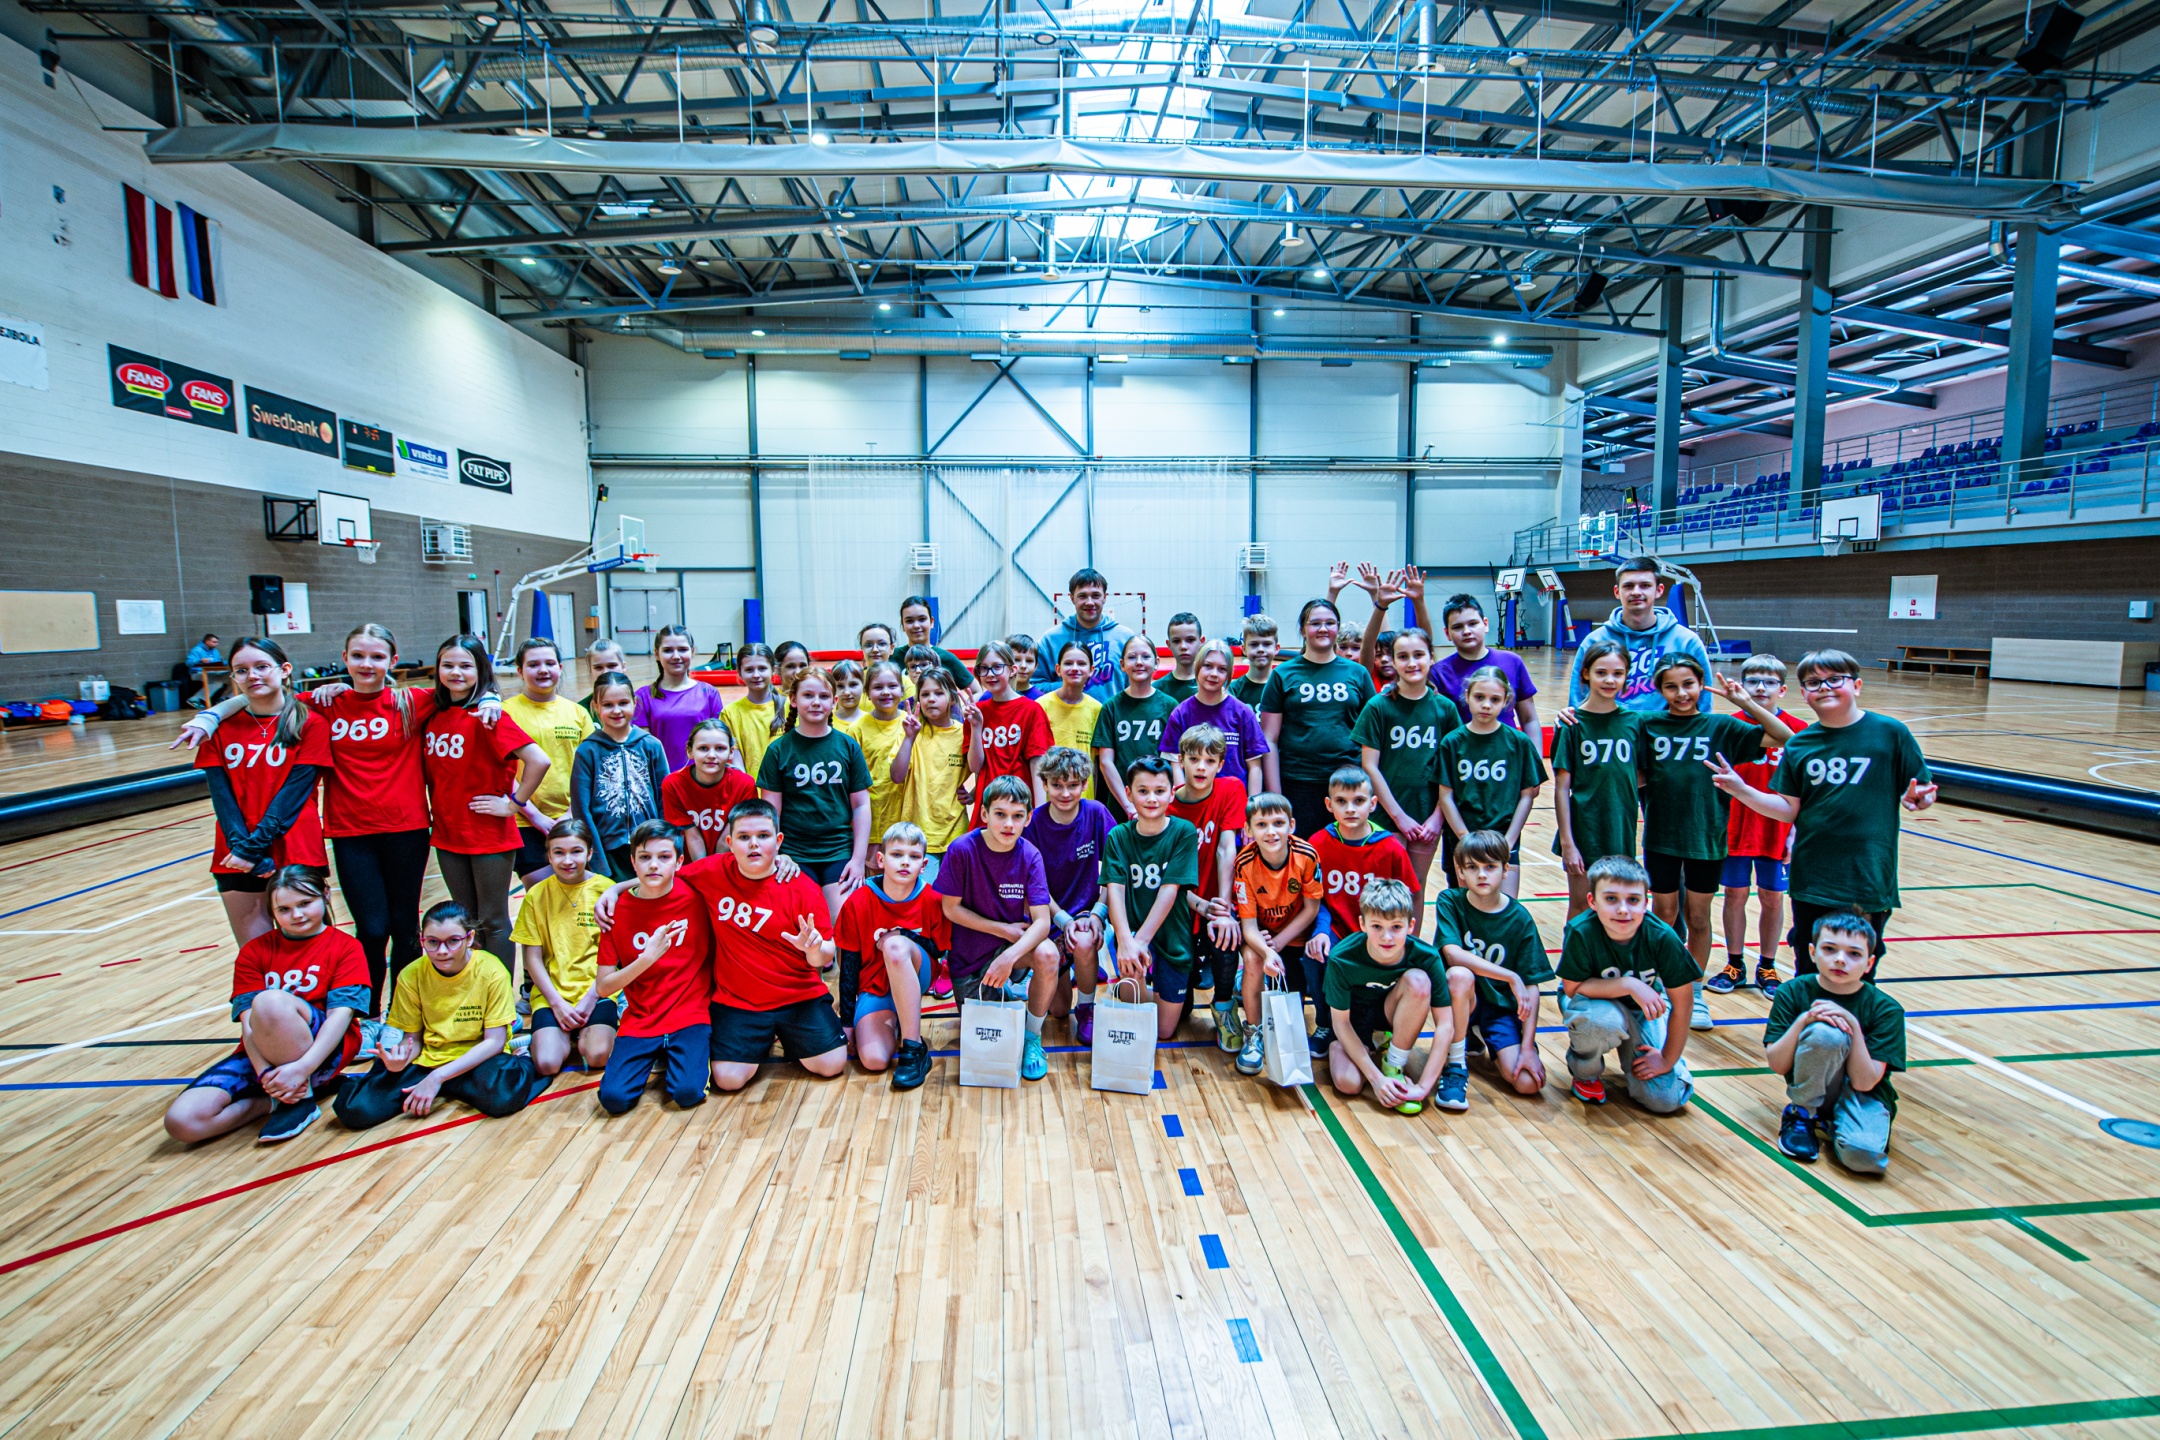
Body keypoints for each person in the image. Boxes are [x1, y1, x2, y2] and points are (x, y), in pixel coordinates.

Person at [1712, 648, 1937, 978]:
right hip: (1812, 880)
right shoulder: (1800, 743)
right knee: (1808, 972)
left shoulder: (1891, 733)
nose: (1824, 688)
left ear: (1856, 685)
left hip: (1868, 878)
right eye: (1814, 682)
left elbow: (1920, 789)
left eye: (1834, 679)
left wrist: (1919, 799)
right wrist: (1741, 789)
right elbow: (1788, 809)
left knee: (1858, 977)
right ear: (1804, 692)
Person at [1637, 656, 1793, 1030]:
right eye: (1671, 686)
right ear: (1660, 690)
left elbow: (1786, 737)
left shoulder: (1721, 726)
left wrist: (1745, 703)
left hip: (1706, 838)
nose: (1681, 693)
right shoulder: (1647, 724)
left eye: (1688, 684)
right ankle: (1658, 984)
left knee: (1698, 917)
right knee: (1663, 914)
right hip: (1660, 837)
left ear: (1701, 684)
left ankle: (1693, 992)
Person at [163, 867, 370, 1145]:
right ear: (271, 910)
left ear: (325, 895)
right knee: (183, 1123)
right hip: (262, 1054)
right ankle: (281, 1097)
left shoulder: (346, 947)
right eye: (284, 909)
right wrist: (264, 1075)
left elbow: (340, 1017)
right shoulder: (254, 951)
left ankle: (301, 1100)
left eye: (305, 903)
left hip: (326, 1050)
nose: (296, 915)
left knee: (270, 1000)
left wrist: (303, 1067)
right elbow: (248, 1025)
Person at [682, 799, 850, 1093]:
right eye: (744, 837)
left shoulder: (802, 887)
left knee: (832, 1064)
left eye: (763, 836)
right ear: (730, 843)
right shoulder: (711, 871)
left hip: (798, 997)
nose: (754, 844)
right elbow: (661, 879)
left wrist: (813, 950)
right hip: (738, 1001)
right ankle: (766, 1036)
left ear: (778, 840)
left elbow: (824, 953)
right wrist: (617, 890)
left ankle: (787, 1035)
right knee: (728, 1080)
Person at [332, 900, 538, 1129]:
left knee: (504, 1097)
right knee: (356, 1110)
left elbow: (494, 1042)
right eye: (432, 942)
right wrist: (399, 1061)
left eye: (453, 941)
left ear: (469, 938)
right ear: (422, 940)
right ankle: (451, 1085)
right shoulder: (411, 975)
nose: (442, 951)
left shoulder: (492, 970)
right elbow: (414, 1040)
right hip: (428, 1059)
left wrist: (437, 1077)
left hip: (477, 1058)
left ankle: (523, 1058)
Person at [190, 637, 333, 946]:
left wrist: (252, 850)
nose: (252, 675)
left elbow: (293, 795)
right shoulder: (218, 729)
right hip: (235, 850)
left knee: (311, 954)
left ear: (284, 670)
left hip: (295, 847)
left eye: (261, 667)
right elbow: (221, 797)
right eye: (241, 670)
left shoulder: (311, 724)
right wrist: (244, 851)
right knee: (257, 956)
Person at [423, 635, 549, 960]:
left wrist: (513, 804)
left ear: (480, 669)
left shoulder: (489, 716)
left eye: (466, 666)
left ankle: (502, 992)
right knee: (466, 923)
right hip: (448, 834)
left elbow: (538, 760)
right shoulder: (433, 714)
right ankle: (478, 984)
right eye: (448, 665)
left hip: (488, 835)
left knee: (492, 921)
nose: (456, 672)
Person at [934, 775, 1059, 1079]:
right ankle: (1008, 996)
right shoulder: (962, 849)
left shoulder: (1030, 855)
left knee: (1048, 954)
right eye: (1000, 814)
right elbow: (950, 909)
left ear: (1028, 818)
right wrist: (1003, 930)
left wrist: (1008, 957)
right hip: (970, 960)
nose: (1008, 824)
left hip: (1008, 953)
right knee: (988, 1037)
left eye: (1017, 816)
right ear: (984, 814)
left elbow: (1042, 922)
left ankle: (1032, 1038)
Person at [1763, 912, 1905, 1171]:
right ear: (1812, 952)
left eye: (1854, 954)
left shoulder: (1887, 1009)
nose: (1840, 959)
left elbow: (1864, 1082)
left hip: (1862, 1094)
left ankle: (1837, 1122)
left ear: (1869, 963)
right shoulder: (1791, 992)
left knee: (1863, 1158)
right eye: (1829, 949)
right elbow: (1777, 1064)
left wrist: (1853, 1026)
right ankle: (1802, 1112)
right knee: (1825, 1033)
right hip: (1816, 1086)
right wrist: (1804, 1020)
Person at [1556, 856, 1699, 1112]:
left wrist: (1667, 1059)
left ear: (1646, 902)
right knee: (1603, 1022)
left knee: (1664, 1100)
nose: (1623, 909)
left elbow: (1684, 1005)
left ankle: (1671, 1065)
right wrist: (1629, 984)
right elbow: (1572, 988)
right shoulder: (1581, 931)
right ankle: (1585, 1072)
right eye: (1611, 899)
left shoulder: (1662, 937)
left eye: (1633, 900)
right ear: (1592, 901)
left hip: (1641, 1010)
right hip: (1591, 1002)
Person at [593, 820, 715, 1114]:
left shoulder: (699, 894)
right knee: (613, 1099)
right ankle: (659, 1053)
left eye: (664, 857)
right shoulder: (615, 911)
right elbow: (603, 987)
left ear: (679, 861)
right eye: (645, 857)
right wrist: (646, 959)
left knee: (687, 1093)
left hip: (691, 1013)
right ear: (633, 862)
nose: (654, 865)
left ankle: (680, 1054)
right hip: (641, 1018)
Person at [1303, 766, 1415, 1057]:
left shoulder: (1390, 847)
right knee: (1315, 952)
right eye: (1341, 801)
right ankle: (1326, 1023)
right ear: (1329, 805)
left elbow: (1406, 899)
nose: (1350, 809)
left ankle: (1380, 1024)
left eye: (1359, 801)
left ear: (1373, 804)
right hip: (1338, 929)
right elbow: (1316, 899)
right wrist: (1321, 931)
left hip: (1377, 932)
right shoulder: (1318, 843)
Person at [1432, 831, 1550, 1100]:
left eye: (1490, 867)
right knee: (1458, 975)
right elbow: (1452, 954)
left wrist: (1528, 1047)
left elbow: (1531, 986)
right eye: (1472, 867)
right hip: (1463, 1000)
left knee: (1527, 1083)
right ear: (1460, 872)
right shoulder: (1451, 901)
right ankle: (1456, 1062)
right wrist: (1510, 976)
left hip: (1499, 1010)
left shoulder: (1519, 918)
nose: (1481, 875)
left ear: (1505, 870)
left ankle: (1479, 1033)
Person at [833, 822, 951, 1089]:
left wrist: (903, 935)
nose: (905, 862)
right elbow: (849, 966)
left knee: (895, 947)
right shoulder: (858, 901)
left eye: (914, 856)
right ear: (881, 859)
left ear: (924, 865)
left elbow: (938, 951)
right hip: (875, 986)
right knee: (873, 1060)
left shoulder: (932, 898)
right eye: (897, 854)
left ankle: (914, 1048)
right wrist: (847, 1023)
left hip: (917, 973)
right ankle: (897, 1018)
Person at [1352, 626, 1461, 907]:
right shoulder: (1378, 706)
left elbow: (1451, 771)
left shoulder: (1445, 709)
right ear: (1393, 661)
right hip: (1387, 817)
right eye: (1403, 656)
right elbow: (1369, 767)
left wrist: (1438, 818)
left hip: (1427, 819)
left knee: (1415, 890)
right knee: (1384, 892)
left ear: (1431, 657)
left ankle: (1411, 939)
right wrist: (1399, 817)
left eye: (1418, 655)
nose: (1411, 663)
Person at [1716, 655, 1805, 997]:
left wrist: (1795, 831)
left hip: (1776, 828)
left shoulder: (1797, 729)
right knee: (1734, 894)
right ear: (1741, 685)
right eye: (1753, 681)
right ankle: (1734, 964)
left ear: (1782, 689)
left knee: (1773, 897)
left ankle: (1767, 966)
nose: (1760, 688)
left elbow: (1806, 788)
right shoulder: (1728, 726)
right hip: (1735, 826)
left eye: (1769, 682)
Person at [1322, 878, 1449, 1115]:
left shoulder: (1427, 957)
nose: (1387, 937)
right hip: (1354, 1020)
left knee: (1418, 981)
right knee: (1348, 1084)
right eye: (1377, 926)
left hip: (1390, 1013)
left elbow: (1445, 1025)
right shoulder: (1342, 958)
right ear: (1362, 924)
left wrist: (1423, 1088)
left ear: (1411, 926)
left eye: (1396, 927)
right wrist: (1376, 1079)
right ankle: (1356, 1048)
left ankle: (1394, 1064)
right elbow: (1341, 1022)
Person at [757, 665, 873, 918]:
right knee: (805, 922)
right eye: (808, 695)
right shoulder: (778, 750)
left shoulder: (847, 746)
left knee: (843, 922)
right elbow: (770, 812)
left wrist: (858, 859)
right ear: (793, 700)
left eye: (823, 696)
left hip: (839, 850)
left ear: (834, 702)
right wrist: (776, 854)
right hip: (794, 853)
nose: (816, 702)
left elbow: (861, 805)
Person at [1102, 756, 1204, 1043]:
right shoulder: (1118, 836)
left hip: (1172, 938)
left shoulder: (1183, 831)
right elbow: (1115, 890)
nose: (1151, 798)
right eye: (1143, 791)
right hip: (1131, 933)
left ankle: (1167, 991)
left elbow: (1169, 891)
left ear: (1171, 794)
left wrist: (1141, 941)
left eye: (1159, 791)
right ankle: (1132, 983)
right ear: (1128, 793)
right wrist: (1126, 942)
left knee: (1163, 1031)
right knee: (1136, 1012)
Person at [1259, 598, 1377, 838]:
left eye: (1330, 623)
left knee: (1347, 853)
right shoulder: (1283, 674)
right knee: (1303, 854)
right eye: (1315, 623)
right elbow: (1269, 739)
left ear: (1337, 628)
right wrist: (1276, 796)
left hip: (1349, 783)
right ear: (1303, 630)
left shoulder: (1358, 673)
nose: (1323, 628)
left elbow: (1373, 735)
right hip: (1299, 782)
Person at [1021, 747, 1113, 1043]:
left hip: (1086, 912)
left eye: (1072, 785)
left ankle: (1087, 1008)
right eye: (1057, 785)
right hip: (1048, 915)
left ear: (1084, 784)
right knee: (1059, 1010)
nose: (1064, 793)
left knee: (1084, 941)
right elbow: (1033, 886)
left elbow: (1115, 871)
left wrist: (1098, 913)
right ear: (1044, 784)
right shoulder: (1033, 822)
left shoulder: (1096, 813)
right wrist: (1061, 920)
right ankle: (1061, 970)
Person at [515, 819, 618, 1080]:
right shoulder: (536, 895)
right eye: (559, 852)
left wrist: (591, 998)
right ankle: (544, 1039)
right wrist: (557, 1004)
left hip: (597, 990)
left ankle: (588, 1030)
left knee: (597, 1056)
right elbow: (532, 959)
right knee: (547, 1063)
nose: (567, 860)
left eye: (576, 851)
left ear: (590, 853)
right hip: (553, 993)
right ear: (548, 856)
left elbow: (616, 956)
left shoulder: (606, 890)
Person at [1229, 792, 1323, 1076]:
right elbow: (1248, 927)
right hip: (1260, 936)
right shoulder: (1244, 863)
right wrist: (1268, 951)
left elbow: (1311, 909)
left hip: (1293, 934)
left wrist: (1279, 944)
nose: (1271, 832)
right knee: (1254, 961)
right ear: (1248, 830)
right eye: (1261, 825)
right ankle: (1253, 1034)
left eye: (1278, 823)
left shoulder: (1307, 855)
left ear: (1291, 825)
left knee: (1291, 999)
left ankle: (1324, 1023)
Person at [1433, 666, 1547, 898]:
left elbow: (1527, 795)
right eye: (1479, 697)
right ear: (1467, 697)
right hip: (1463, 840)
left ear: (1506, 701)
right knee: (1468, 910)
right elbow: (1445, 796)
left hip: (1504, 840)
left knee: (1505, 909)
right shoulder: (1452, 742)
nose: (1486, 705)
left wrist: (1509, 841)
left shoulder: (1519, 743)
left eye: (1494, 699)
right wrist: (1465, 838)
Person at [1166, 726, 1247, 1051]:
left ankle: (1224, 1005)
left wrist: (1223, 908)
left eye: (1210, 761)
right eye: (1194, 759)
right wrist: (1196, 902)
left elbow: (1227, 848)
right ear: (1180, 760)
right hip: (1178, 903)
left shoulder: (1231, 789)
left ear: (1220, 764)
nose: (1201, 767)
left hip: (1215, 896)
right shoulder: (1166, 805)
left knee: (1225, 935)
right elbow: (1165, 876)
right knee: (1179, 1013)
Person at [1551, 639, 1641, 921]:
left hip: (1621, 829)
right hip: (1584, 830)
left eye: (1618, 673)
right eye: (1601, 672)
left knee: (1616, 907)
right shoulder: (1571, 724)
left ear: (1626, 676)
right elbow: (1561, 787)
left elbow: (1642, 773)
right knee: (1581, 907)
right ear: (1586, 673)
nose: (1610, 680)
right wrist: (1567, 842)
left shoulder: (1635, 721)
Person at [1565, 555, 1712, 713]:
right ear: (1617, 592)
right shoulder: (1594, 641)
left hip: (1666, 727)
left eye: (1645, 585)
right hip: (1610, 726)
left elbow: (1703, 702)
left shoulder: (1687, 641)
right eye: (1628, 586)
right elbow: (1578, 699)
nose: (1636, 592)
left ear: (1659, 590)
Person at [505, 637, 596, 884]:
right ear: (520, 671)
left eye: (550, 663)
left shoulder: (578, 713)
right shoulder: (506, 712)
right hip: (524, 821)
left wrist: (570, 813)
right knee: (542, 892)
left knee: (576, 892)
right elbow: (501, 774)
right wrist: (535, 816)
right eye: (533, 664)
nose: (543, 670)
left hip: (572, 819)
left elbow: (591, 770)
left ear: (560, 667)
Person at [569, 671, 670, 880]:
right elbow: (581, 810)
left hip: (650, 848)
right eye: (608, 705)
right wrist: (597, 860)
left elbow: (665, 799)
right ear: (595, 707)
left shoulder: (651, 745)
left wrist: (664, 845)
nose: (616, 710)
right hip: (608, 851)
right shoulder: (587, 751)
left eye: (623, 703)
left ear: (634, 703)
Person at [1161, 638, 1269, 793]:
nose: (1214, 674)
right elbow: (1175, 764)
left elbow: (1255, 766)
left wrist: (1251, 805)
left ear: (1229, 674)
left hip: (1234, 801)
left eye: (1222, 669)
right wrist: (1184, 801)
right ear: (1197, 666)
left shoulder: (1243, 713)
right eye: (1208, 666)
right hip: (1194, 801)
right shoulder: (1180, 714)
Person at [892, 668, 975, 872]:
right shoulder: (910, 731)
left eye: (938, 693)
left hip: (956, 833)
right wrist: (909, 738)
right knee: (924, 891)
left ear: (952, 699)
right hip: (918, 835)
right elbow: (897, 776)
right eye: (925, 694)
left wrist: (973, 793)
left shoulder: (963, 732)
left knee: (954, 890)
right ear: (918, 700)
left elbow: (980, 767)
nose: (931, 699)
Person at [1093, 633, 1175, 821]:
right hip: (1121, 805)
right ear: (1122, 665)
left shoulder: (1169, 706)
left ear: (1157, 662)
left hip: (1159, 803)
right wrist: (1129, 806)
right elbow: (1105, 762)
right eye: (1132, 657)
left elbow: (1174, 762)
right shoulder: (1111, 707)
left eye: (1145, 656)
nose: (1139, 662)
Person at [1432, 593, 1541, 733]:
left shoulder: (1513, 662)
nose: (1466, 631)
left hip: (1507, 746)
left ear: (1485, 624)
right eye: (1457, 627)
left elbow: (1529, 719)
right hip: (1463, 747)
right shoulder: (1439, 673)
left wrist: (1533, 748)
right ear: (1447, 633)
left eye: (1473, 623)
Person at [967, 641, 1052, 820]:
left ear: (1012, 670)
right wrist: (976, 727)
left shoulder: (1032, 710)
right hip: (988, 806)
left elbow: (1038, 767)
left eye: (997, 667)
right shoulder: (976, 712)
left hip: (1019, 806)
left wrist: (1039, 815)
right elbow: (975, 767)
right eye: (984, 669)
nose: (990, 674)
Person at [632, 625, 728, 772]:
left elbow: (719, 741)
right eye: (668, 650)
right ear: (657, 654)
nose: (676, 656)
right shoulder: (643, 696)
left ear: (692, 651)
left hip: (703, 778)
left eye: (682, 649)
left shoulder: (709, 693)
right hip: (661, 778)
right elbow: (643, 748)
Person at [661, 717, 759, 861]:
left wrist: (714, 870)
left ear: (731, 752)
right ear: (690, 750)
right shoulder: (673, 784)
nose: (711, 755)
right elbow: (693, 837)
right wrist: (704, 872)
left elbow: (727, 839)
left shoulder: (744, 784)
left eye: (720, 748)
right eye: (703, 748)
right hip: (691, 865)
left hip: (730, 862)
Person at [1034, 567, 1138, 699]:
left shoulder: (1125, 637)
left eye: (1096, 595)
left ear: (1105, 598)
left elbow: (1136, 686)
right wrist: (1066, 686)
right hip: (1066, 712)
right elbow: (1033, 686)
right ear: (1072, 598)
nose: (1089, 602)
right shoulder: (1051, 639)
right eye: (1082, 596)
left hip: (1111, 713)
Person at [851, 662, 911, 847]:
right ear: (867, 693)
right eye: (878, 687)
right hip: (870, 816)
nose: (886, 692)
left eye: (892, 686)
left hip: (905, 815)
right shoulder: (856, 729)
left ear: (902, 690)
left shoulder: (912, 724)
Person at [1037, 643, 1105, 800]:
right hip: (1048, 799)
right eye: (1068, 663)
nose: (1075, 668)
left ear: (1091, 670)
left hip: (1083, 798)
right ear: (1058, 669)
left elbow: (1095, 764)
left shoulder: (1097, 709)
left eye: (1081, 663)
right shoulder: (1041, 706)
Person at [722, 643, 786, 780]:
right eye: (749, 670)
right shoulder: (730, 713)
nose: (756, 675)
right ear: (739, 673)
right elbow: (737, 762)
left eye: (762, 668)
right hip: (751, 789)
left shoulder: (790, 705)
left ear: (773, 669)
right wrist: (748, 789)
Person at [899, 595, 975, 691]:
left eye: (922, 619)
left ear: (932, 622)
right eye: (909, 621)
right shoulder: (892, 656)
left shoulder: (946, 657)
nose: (916, 626)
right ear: (903, 625)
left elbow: (977, 691)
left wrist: (961, 702)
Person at [1230, 614, 1280, 708]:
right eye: (1254, 644)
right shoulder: (1234, 690)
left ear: (1276, 648)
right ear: (1244, 649)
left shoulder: (1284, 687)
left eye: (1267, 644)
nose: (1260, 649)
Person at [1157, 614, 1204, 704]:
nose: (1183, 646)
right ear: (1169, 644)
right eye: (1176, 641)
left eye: (1190, 640)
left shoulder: (1215, 685)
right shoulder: (1158, 689)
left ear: (1201, 641)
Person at [580, 639, 627, 717]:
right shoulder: (581, 709)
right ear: (590, 670)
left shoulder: (641, 704)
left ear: (623, 666)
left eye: (611, 666)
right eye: (598, 667)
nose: (605, 672)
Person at [829, 658, 867, 732]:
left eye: (853, 684)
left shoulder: (873, 721)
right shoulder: (825, 721)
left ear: (863, 685)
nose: (847, 692)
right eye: (840, 686)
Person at [1005, 635, 1047, 700]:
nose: (1023, 666)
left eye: (1029, 661)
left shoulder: (1041, 699)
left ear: (1035, 666)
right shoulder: (993, 696)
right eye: (1016, 660)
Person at [185, 632, 223, 700]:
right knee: (217, 682)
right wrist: (199, 660)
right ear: (207, 641)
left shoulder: (215, 651)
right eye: (214, 642)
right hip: (198, 673)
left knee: (232, 679)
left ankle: (225, 698)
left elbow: (219, 661)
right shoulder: (196, 650)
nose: (216, 644)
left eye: (217, 642)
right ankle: (195, 699)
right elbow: (188, 663)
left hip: (213, 672)